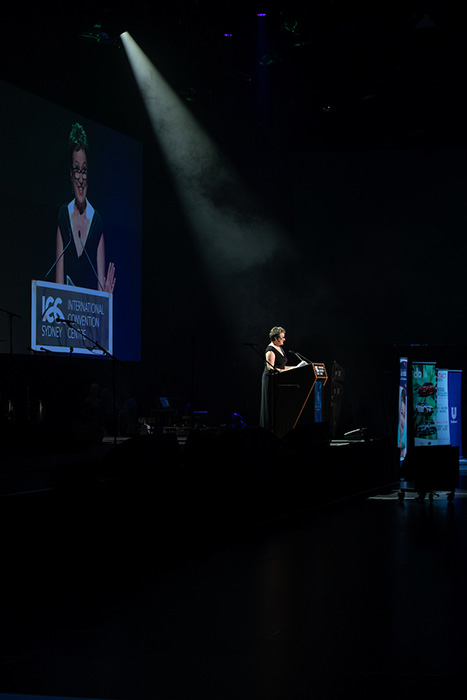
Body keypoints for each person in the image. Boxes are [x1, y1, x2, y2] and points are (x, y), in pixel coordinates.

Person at [55, 123, 116, 292]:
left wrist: (106, 296)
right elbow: (58, 286)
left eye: (84, 170)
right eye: (77, 170)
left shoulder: (97, 222)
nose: (81, 179)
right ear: (71, 174)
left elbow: (100, 287)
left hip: (88, 308)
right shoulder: (63, 216)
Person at [260, 326, 292, 431]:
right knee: (271, 406)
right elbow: (271, 368)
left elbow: (281, 366)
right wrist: (284, 371)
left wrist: (294, 368)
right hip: (271, 381)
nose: (284, 339)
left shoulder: (280, 348)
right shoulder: (270, 350)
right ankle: (269, 430)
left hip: (279, 379)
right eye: (282, 337)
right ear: (275, 338)